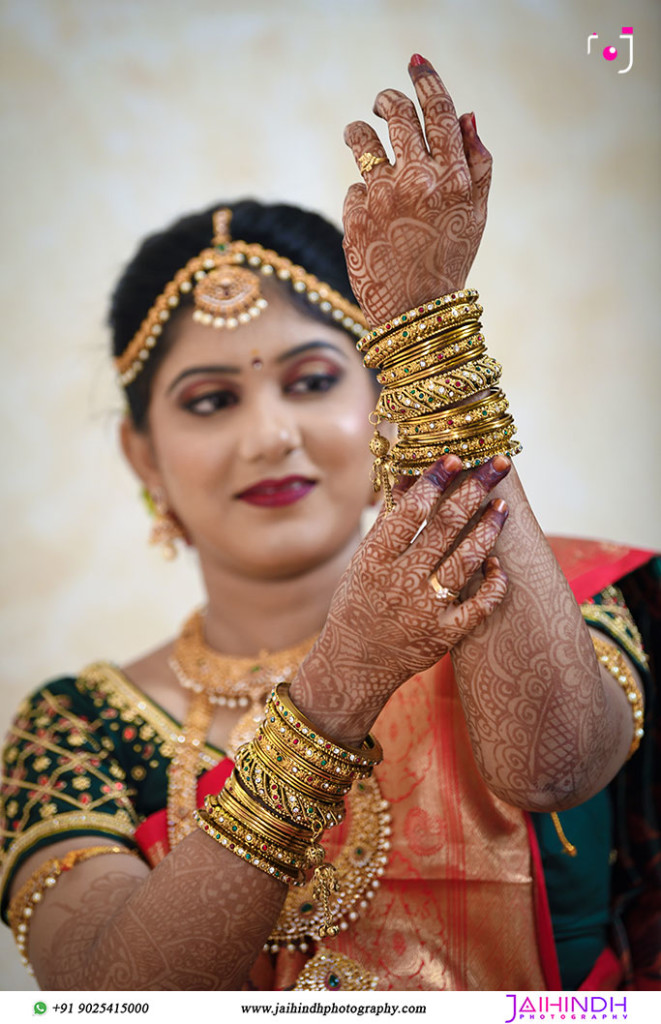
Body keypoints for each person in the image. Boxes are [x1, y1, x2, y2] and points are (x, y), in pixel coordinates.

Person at [0, 55, 658, 992]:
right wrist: (339, 683)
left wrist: (428, 327)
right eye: (208, 400)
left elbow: (550, 768)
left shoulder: (552, 595)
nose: (269, 436)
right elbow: (115, 999)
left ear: (384, 400)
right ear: (143, 458)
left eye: (311, 382)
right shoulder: (76, 729)